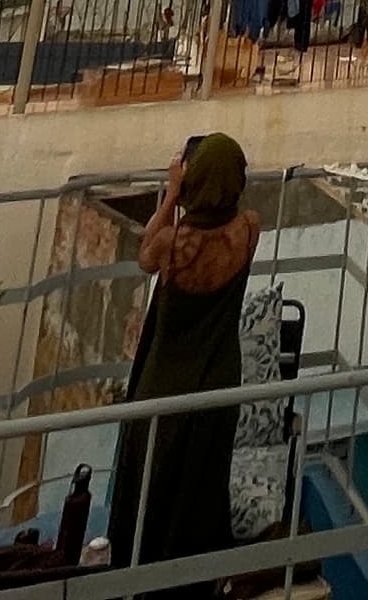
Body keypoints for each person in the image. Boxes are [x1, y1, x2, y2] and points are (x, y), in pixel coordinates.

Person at [111, 132, 262, 581]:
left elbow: (144, 256)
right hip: (219, 379)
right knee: (201, 483)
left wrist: (172, 192)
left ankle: (142, 574)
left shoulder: (171, 246)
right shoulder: (249, 229)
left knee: (151, 486)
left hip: (165, 381)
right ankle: (196, 576)